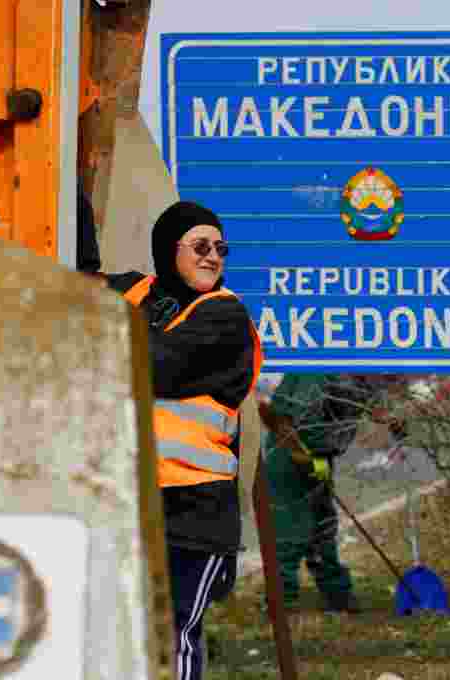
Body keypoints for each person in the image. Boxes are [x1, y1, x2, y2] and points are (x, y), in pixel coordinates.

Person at [105, 201, 262, 680]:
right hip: (129, 507)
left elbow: (154, 363)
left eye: (220, 248)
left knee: (169, 636)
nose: (213, 256)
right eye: (200, 246)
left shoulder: (225, 317)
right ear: (166, 251)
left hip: (193, 516)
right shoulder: (137, 294)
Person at [257, 373, 376, 614]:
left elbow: (361, 404)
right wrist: (314, 457)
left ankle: (338, 595)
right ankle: (281, 601)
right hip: (288, 453)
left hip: (317, 453)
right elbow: (302, 422)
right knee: (291, 529)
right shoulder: (318, 372)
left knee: (322, 525)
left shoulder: (357, 372)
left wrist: (320, 459)